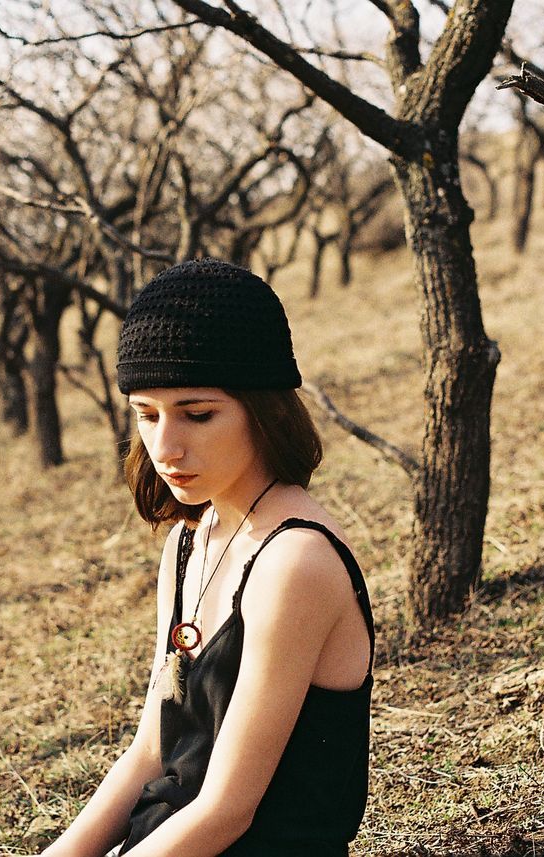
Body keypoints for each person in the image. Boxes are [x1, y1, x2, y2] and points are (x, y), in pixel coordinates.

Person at [42, 259, 374, 857]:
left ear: (264, 408)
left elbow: (227, 810)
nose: (165, 446)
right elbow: (151, 748)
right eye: (147, 415)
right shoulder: (190, 539)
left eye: (198, 414)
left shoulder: (297, 561)